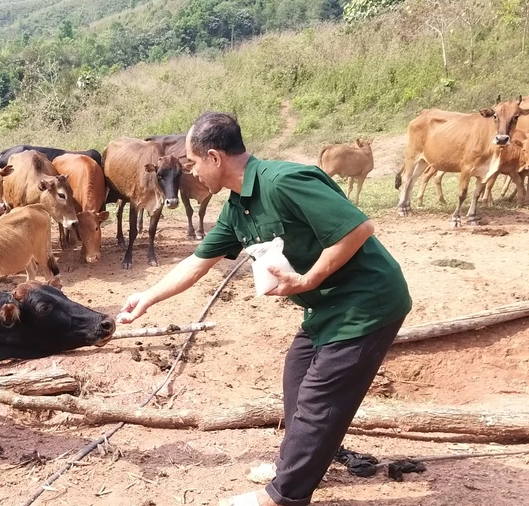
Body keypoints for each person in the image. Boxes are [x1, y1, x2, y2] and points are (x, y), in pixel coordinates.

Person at [116, 112, 412, 506]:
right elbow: (197, 263)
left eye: (193, 162)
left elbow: (358, 229)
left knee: (319, 400)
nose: (192, 172)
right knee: (296, 379)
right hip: (325, 308)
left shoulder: (285, 181)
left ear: (215, 157)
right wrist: (146, 298)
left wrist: (309, 280)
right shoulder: (238, 208)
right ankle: (300, 466)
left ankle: (283, 496)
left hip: (366, 303)